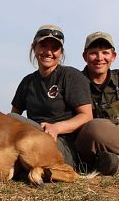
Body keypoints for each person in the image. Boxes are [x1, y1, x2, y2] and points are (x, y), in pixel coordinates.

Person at [11, 24, 93, 169]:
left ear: (61, 52)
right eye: (43, 45)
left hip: (62, 143)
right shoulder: (27, 82)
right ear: (34, 48)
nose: (48, 52)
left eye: (54, 48)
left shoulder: (70, 76)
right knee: (10, 120)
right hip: (33, 138)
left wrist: (56, 128)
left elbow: (86, 116)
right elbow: (14, 115)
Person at [75, 31, 119, 175]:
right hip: (87, 149)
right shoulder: (74, 83)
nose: (99, 58)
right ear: (85, 56)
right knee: (95, 126)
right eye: (94, 53)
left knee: (110, 161)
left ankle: (115, 164)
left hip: (118, 144)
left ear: (113, 56)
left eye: (105, 53)